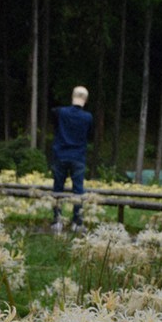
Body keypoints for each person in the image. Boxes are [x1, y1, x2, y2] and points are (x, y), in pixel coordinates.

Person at [50, 86, 93, 232]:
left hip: (60, 154)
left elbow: (53, 117)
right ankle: (77, 222)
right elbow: (90, 135)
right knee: (78, 190)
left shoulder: (60, 112)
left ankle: (57, 220)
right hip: (78, 156)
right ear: (85, 100)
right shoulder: (88, 117)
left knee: (58, 188)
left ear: (72, 96)